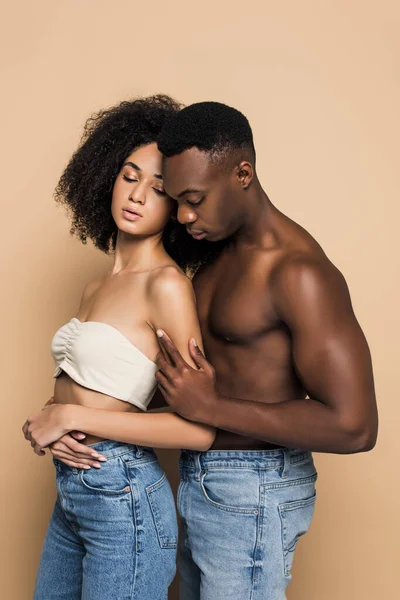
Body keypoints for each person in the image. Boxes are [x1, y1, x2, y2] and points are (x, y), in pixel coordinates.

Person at [25, 101, 379, 600]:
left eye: (192, 198)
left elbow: (356, 427)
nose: (184, 214)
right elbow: (161, 383)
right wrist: (67, 415)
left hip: (255, 488)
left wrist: (212, 409)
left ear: (243, 174)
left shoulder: (299, 272)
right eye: (178, 199)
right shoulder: (211, 257)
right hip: (200, 481)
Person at [23, 95, 217, 600]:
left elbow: (197, 427)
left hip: (123, 494)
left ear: (177, 206)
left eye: (158, 188)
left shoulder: (168, 287)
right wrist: (50, 417)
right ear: (108, 176)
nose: (136, 195)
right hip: (73, 488)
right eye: (129, 176)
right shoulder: (95, 285)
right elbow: (93, 391)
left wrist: (72, 420)